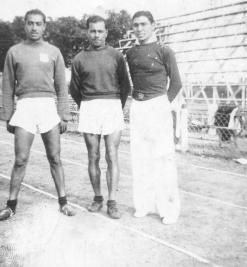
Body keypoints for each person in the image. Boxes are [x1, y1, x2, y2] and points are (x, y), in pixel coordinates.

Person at [0, 9, 75, 220]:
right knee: (20, 159)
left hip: (48, 107)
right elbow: (7, 86)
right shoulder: (14, 51)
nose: (34, 27)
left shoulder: (54, 51)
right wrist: (8, 115)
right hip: (25, 108)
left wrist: (64, 115)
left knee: (55, 158)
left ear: (44, 27)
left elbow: (61, 86)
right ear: (24, 25)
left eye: (38, 24)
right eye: (30, 23)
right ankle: (11, 205)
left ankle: (64, 202)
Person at [70, 15, 130, 219]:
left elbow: (125, 86)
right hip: (89, 107)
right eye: (92, 31)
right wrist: (87, 105)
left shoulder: (116, 56)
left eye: (100, 31)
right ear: (88, 32)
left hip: (112, 105)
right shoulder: (79, 58)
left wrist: (115, 105)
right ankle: (97, 197)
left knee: (111, 155)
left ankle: (112, 201)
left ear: (106, 32)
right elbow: (75, 89)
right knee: (93, 156)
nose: (96, 35)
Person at [126, 11, 182, 224]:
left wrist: (161, 106)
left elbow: (176, 83)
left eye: (143, 24)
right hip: (138, 107)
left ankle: (169, 210)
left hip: (158, 105)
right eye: (135, 25)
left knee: (162, 159)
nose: (139, 29)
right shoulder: (130, 53)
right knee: (140, 159)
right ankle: (144, 205)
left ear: (153, 25)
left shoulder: (164, 50)